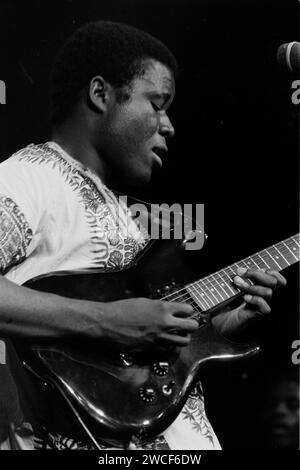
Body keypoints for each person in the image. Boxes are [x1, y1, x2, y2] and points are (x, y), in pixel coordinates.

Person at [0, 21, 287, 450]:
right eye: (157, 104)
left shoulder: (123, 215)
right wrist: (109, 322)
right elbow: (116, 327)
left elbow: (126, 355)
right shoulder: (28, 179)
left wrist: (217, 326)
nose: (168, 125)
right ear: (101, 95)